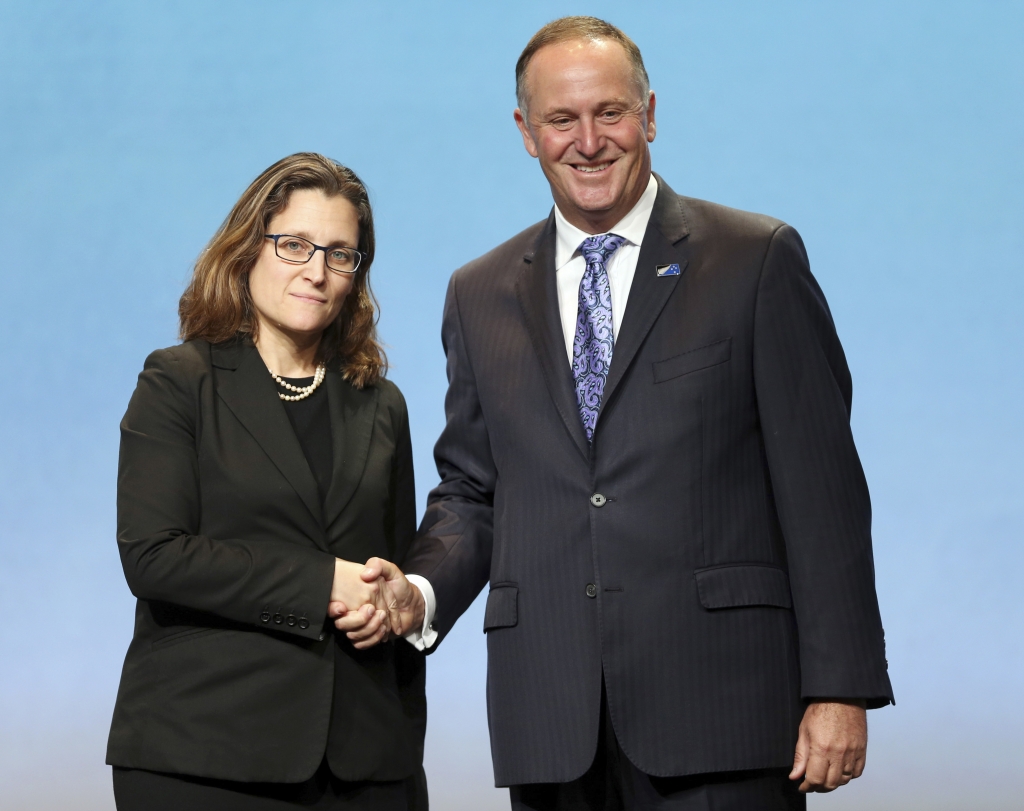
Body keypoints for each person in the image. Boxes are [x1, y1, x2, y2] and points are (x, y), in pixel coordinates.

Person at [345, 15, 895, 811]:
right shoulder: (479, 292)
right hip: (553, 719)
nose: (589, 141)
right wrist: (421, 592)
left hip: (725, 709)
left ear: (651, 114)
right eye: (561, 119)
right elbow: (472, 489)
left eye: (611, 113)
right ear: (527, 133)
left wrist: (841, 685)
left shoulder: (755, 259)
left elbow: (824, 492)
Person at [106, 153, 428, 811]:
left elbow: (393, 559)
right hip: (207, 756)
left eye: (341, 254)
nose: (316, 271)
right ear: (249, 249)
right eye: (295, 245)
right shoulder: (179, 381)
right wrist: (320, 582)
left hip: (367, 763)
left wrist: (394, 594)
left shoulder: (380, 403)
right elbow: (154, 554)